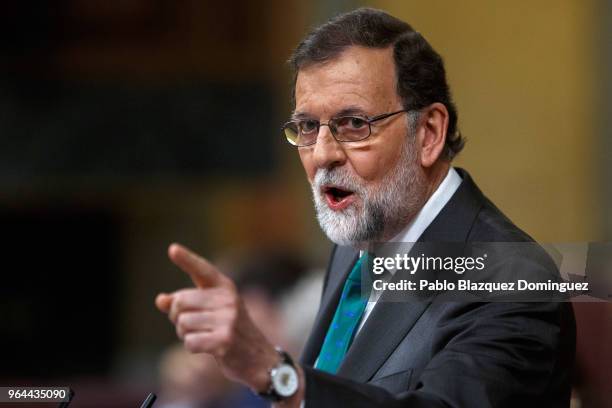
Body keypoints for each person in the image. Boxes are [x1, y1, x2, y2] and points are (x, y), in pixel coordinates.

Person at [155, 8, 575, 407]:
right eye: (306, 127)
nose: (322, 155)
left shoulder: (515, 280)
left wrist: (273, 372)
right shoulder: (356, 246)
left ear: (428, 133)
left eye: (354, 125)